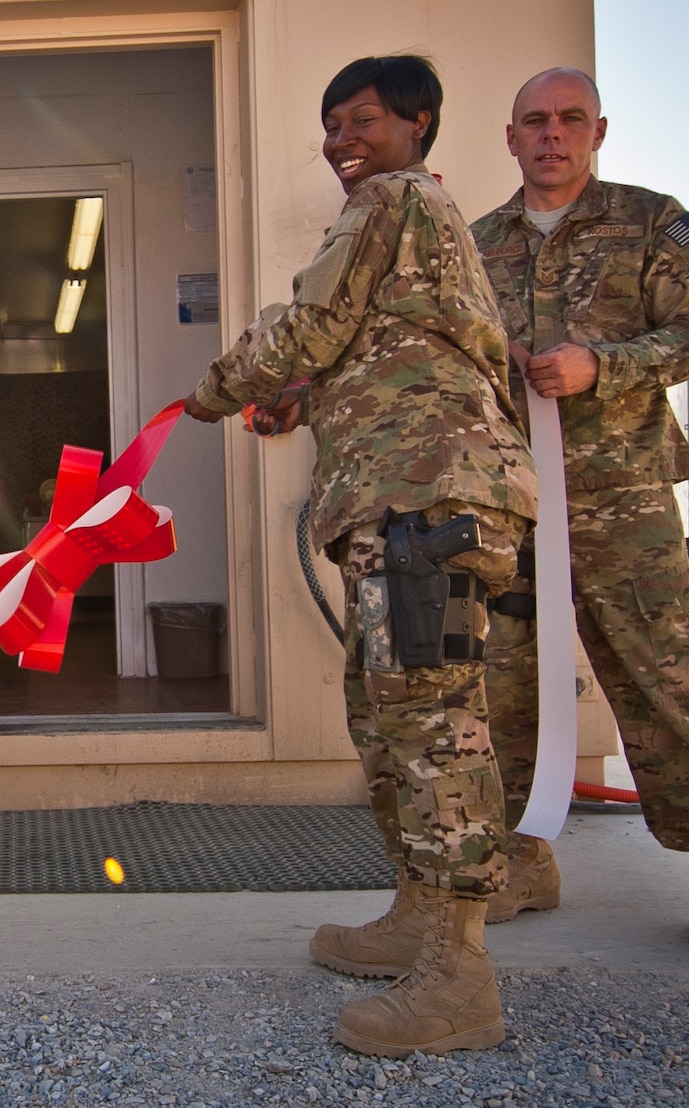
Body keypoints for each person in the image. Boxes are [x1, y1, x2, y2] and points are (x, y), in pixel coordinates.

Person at [184, 56, 537, 1055]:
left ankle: (458, 975)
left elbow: (311, 325)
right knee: (389, 716)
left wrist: (215, 386)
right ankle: (418, 921)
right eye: (332, 125)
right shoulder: (422, 222)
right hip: (397, 502)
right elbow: (369, 350)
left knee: (432, 724)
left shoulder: (393, 198)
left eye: (364, 120)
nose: (344, 142)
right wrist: (299, 398)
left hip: (428, 499)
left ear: (415, 123)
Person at [469, 67, 689, 965]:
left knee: (668, 684)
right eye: (534, 120)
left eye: (570, 119)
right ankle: (522, 857)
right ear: (510, 137)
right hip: (513, 501)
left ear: (598, 130)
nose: (552, 134)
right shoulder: (478, 242)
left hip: (624, 501)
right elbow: (448, 350)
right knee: (503, 688)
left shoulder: (655, 222)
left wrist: (602, 364)